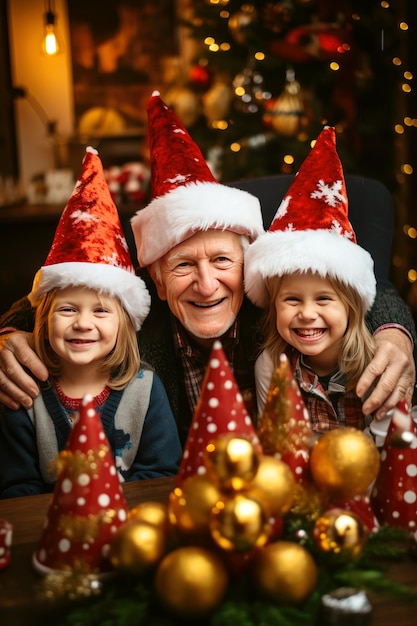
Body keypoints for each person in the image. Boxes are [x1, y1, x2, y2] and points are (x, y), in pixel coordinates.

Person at [0, 93, 415, 444]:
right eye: (182, 265)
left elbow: (368, 289)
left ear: (248, 263)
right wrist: (7, 333)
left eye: (221, 260)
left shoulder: (280, 306)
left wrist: (394, 334)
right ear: (156, 280)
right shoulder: (134, 313)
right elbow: (55, 296)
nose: (205, 283)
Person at [0, 147, 181, 499]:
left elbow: (161, 473)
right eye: (68, 310)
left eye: (100, 311)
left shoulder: (145, 389)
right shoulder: (25, 396)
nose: (83, 323)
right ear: (44, 319)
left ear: (124, 324)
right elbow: (16, 489)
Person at [245, 126, 380, 432]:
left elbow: (394, 449)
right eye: (292, 299)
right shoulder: (271, 366)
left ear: (351, 307)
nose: (306, 313)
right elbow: (278, 445)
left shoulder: (373, 362)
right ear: (273, 306)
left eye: (323, 298)